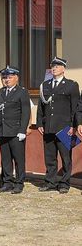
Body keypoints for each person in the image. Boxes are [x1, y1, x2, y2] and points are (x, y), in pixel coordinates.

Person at [38, 57, 79, 194]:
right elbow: (41, 107)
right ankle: (50, 182)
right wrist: (39, 123)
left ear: (63, 69)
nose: (54, 68)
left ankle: (64, 183)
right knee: (50, 158)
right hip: (48, 127)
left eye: (57, 66)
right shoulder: (46, 85)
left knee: (65, 158)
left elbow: (75, 107)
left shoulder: (71, 85)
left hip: (64, 128)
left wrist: (75, 125)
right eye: (52, 66)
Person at [0, 66, 30, 194]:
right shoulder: (0, 92)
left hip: (16, 132)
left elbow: (25, 112)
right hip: (3, 131)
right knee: (5, 159)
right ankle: (7, 182)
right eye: (5, 77)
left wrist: (22, 130)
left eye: (10, 77)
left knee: (19, 159)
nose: (7, 80)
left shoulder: (22, 92)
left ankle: (19, 183)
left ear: (16, 78)